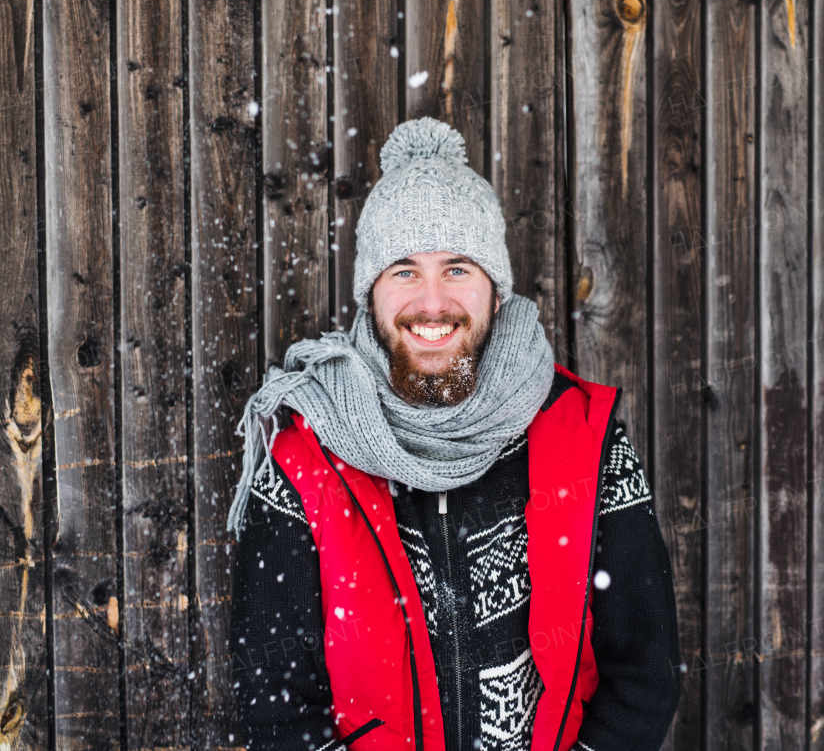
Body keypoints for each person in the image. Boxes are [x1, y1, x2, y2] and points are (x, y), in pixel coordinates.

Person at [227, 117, 681, 751]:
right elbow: (274, 703)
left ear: (496, 292)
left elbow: (645, 672)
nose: (433, 304)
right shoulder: (306, 461)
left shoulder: (585, 441)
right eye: (405, 271)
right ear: (372, 295)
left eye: (458, 268)